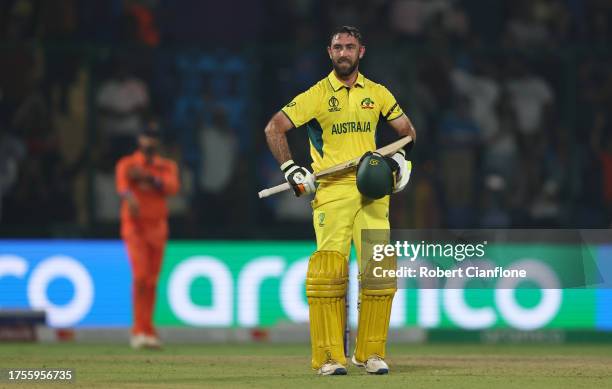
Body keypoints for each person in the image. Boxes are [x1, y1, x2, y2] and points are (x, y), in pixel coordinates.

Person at [264, 26, 416, 375]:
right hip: (332, 190)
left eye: (350, 47)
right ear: (329, 53)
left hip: (374, 190)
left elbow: (407, 133)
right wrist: (290, 169)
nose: (343, 52)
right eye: (337, 47)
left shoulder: (377, 93)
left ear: (361, 52)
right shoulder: (316, 95)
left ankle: (371, 354)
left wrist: (400, 162)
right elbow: (274, 127)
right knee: (329, 275)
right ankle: (329, 357)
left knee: (379, 272)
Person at [115, 124, 180, 349]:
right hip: (135, 228)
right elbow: (123, 188)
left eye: (153, 138)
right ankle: (138, 330)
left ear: (157, 142)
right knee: (140, 276)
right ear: (139, 139)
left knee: (151, 281)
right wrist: (130, 196)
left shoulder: (167, 166)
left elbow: (172, 188)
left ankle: (148, 330)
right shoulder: (127, 164)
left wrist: (149, 179)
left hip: (158, 228)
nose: (149, 142)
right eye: (146, 137)